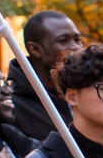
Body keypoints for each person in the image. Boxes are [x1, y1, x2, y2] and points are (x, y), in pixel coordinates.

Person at [8, 10, 84, 140]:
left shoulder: (87, 93)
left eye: (78, 40)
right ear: (35, 50)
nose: (76, 47)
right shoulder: (11, 106)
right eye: (63, 41)